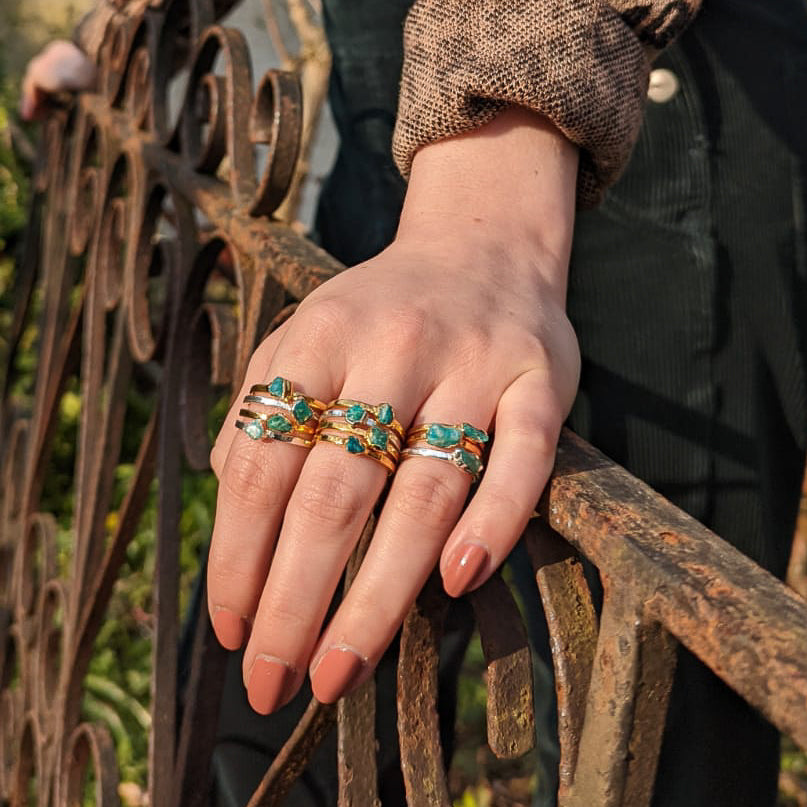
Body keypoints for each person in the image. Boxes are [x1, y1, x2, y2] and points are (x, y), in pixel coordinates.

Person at [21, 1, 807, 805]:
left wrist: (501, 126)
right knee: (290, 687)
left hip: (641, 144)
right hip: (394, 153)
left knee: (637, 733)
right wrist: (134, 27)